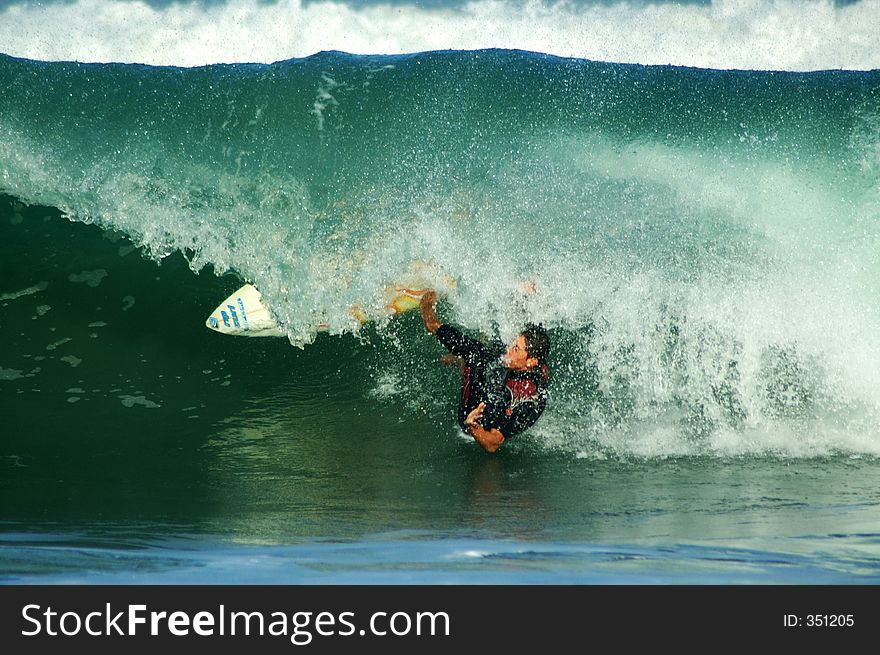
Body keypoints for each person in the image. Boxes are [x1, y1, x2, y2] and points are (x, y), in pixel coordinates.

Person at [419, 290, 550, 453]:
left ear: (531, 361)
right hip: (503, 386)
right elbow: (535, 333)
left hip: (478, 423)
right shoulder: (534, 356)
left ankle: (434, 326)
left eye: (516, 348)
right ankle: (464, 362)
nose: (510, 349)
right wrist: (528, 296)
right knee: (494, 349)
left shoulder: (528, 400)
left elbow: (493, 444)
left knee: (475, 356)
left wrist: (472, 425)